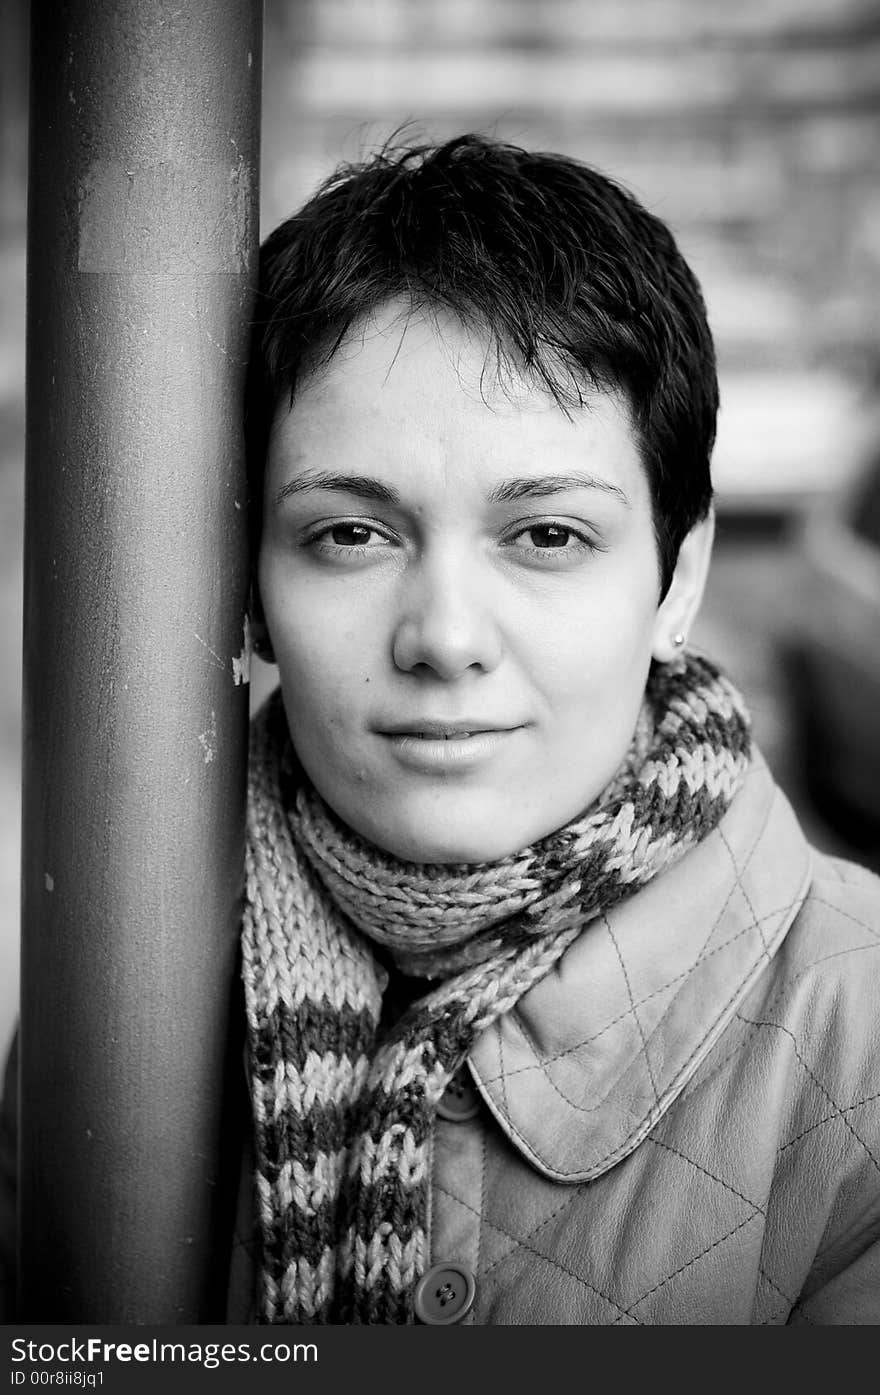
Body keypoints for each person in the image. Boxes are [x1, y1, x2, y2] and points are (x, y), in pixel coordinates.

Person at [4, 134, 880, 1327]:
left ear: (678, 578)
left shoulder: (861, 1040)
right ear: (249, 586)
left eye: (548, 536)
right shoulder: (114, 988)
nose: (445, 636)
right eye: (351, 535)